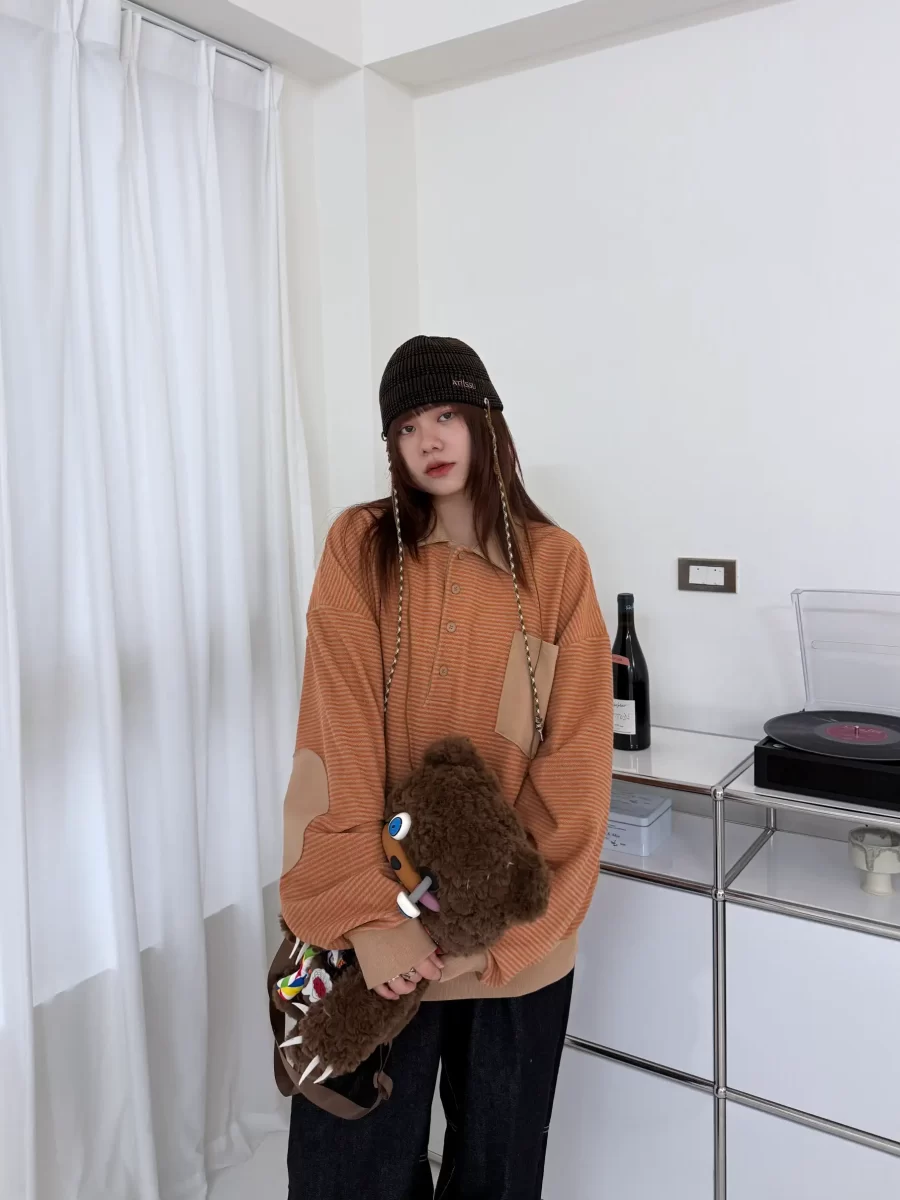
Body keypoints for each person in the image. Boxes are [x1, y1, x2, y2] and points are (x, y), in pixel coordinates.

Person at [279, 335, 613, 1199]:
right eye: (405, 427)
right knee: (346, 1177)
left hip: (511, 953)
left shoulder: (557, 565)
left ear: (485, 422)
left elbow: (575, 774)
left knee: (500, 1177)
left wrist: (475, 932)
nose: (427, 439)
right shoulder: (359, 547)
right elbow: (338, 742)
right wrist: (373, 917)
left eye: (445, 415)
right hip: (377, 940)